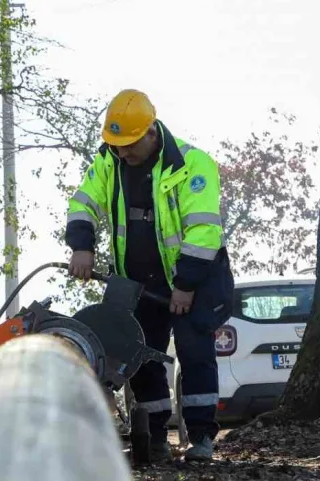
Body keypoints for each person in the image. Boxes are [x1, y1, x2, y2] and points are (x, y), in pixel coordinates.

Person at [64, 89, 234, 462]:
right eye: (117, 145)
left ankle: (201, 438)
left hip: (195, 277)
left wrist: (185, 285)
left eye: (129, 145)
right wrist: (81, 245)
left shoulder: (193, 165)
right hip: (138, 283)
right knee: (137, 356)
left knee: (194, 352)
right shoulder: (109, 162)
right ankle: (154, 437)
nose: (123, 153)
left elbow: (204, 231)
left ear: (151, 133)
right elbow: (83, 202)